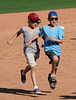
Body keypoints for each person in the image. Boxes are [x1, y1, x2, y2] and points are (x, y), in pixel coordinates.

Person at [7, 13, 41, 94]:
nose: (35, 23)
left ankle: (23, 72)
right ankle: (35, 87)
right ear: (29, 21)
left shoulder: (38, 29)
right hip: (28, 51)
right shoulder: (24, 29)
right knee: (34, 67)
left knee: (31, 65)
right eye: (33, 21)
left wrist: (45, 44)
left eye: (36, 21)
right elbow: (18, 33)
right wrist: (11, 40)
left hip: (36, 51)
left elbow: (43, 36)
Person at [39, 11, 64, 89]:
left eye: (56, 19)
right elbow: (41, 35)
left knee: (55, 67)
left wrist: (54, 39)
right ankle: (53, 75)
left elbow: (61, 41)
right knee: (55, 58)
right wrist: (45, 42)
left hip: (57, 49)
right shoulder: (45, 28)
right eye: (52, 19)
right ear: (48, 19)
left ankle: (51, 76)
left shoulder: (59, 29)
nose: (54, 20)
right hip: (48, 48)